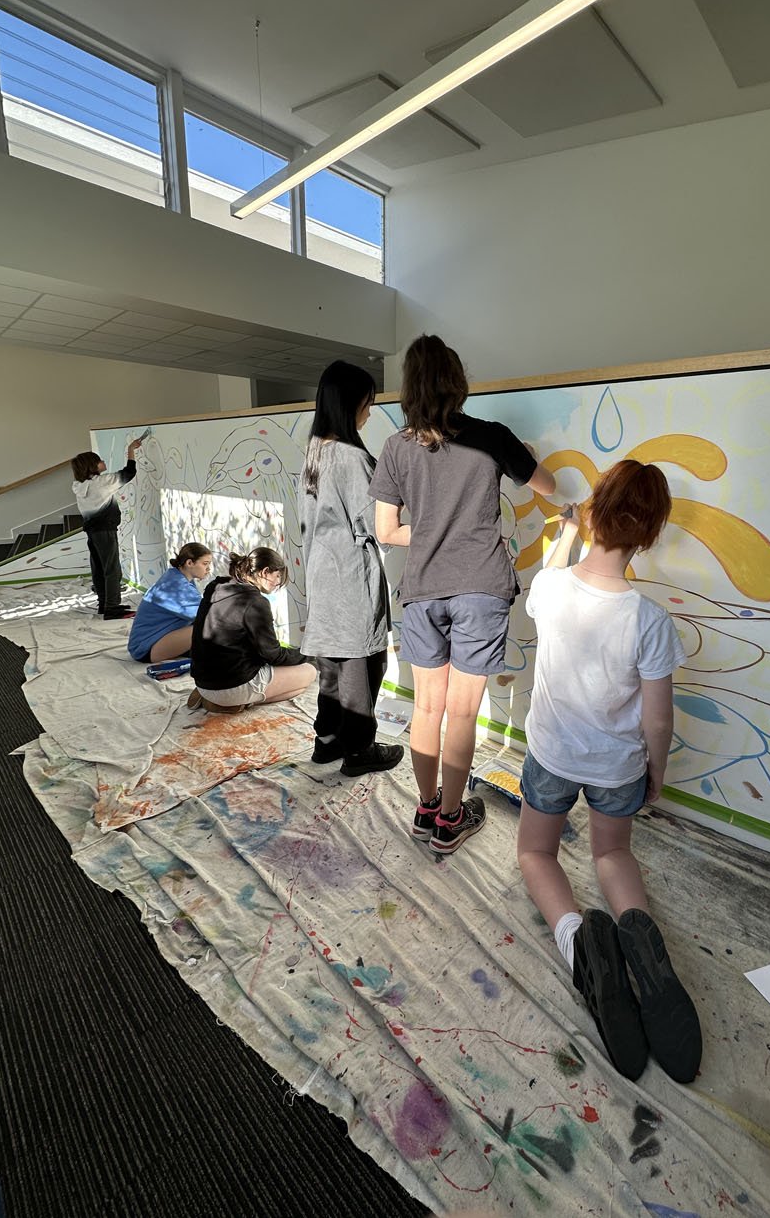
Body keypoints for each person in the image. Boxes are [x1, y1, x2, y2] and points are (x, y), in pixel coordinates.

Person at [516, 461, 702, 1084]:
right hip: (616, 766)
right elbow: (657, 720)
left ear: (593, 513)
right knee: (612, 857)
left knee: (537, 855)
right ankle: (642, 942)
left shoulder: (552, 589)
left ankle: (577, 939)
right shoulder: (650, 620)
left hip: (551, 755)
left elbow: (552, 565)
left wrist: (567, 527)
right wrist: (657, 773)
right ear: (649, 536)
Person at [371, 334, 556, 854]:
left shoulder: (395, 447)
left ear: (410, 388)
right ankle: (452, 819)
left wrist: (430, 528)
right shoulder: (491, 436)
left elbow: (387, 530)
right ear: (458, 382)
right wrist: (529, 455)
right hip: (481, 589)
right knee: (463, 712)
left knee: (427, 710)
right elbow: (547, 484)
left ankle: (426, 806)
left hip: (424, 591)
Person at [300, 361, 404, 778]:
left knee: (334, 667)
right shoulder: (350, 457)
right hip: (349, 579)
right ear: (350, 403)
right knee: (362, 666)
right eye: (367, 402)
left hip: (324, 577)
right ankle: (360, 749)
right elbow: (378, 525)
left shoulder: (316, 450)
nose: (370, 411)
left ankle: (327, 742)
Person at [188, 547, 316, 713]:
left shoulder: (216, 586)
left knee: (291, 683)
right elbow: (273, 655)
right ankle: (233, 702)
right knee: (309, 673)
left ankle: (214, 697)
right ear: (265, 572)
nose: (278, 582)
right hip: (230, 686)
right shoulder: (255, 602)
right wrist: (307, 654)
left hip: (202, 681)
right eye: (277, 576)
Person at [71, 438, 143, 620]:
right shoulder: (102, 482)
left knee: (99, 568)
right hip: (105, 531)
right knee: (112, 570)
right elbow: (129, 472)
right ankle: (112, 608)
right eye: (99, 460)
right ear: (92, 466)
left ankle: (104, 603)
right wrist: (130, 450)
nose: (103, 462)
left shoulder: (79, 486)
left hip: (92, 531)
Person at [127, 542, 213, 663]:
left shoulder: (178, 577)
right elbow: (206, 615)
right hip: (145, 649)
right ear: (189, 563)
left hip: (157, 639)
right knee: (208, 627)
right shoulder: (176, 585)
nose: (208, 569)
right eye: (205, 564)